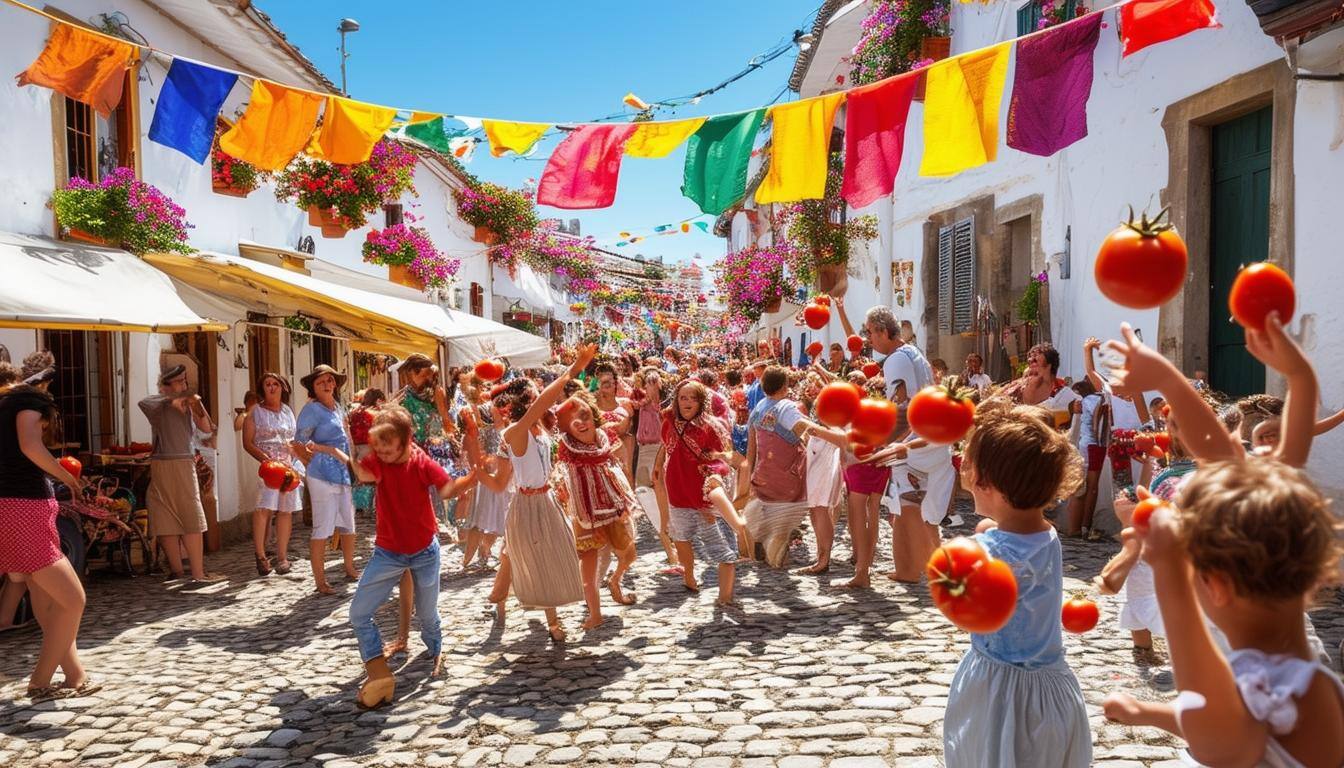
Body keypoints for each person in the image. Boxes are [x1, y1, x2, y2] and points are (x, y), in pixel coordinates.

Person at [1102, 461, 1344, 767]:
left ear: (1215, 586)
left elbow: (1214, 732)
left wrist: (1169, 573)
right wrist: (1143, 713)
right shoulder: (1297, 676)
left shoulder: (1287, 689)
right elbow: (1222, 716)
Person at [942, 404, 1090, 767]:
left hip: (999, 693)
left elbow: (966, 617)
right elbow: (1007, 537)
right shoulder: (1047, 534)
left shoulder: (984, 553)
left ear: (985, 481)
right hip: (1051, 687)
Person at [347, 406, 475, 709]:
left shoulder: (421, 463)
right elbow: (365, 472)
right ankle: (377, 668)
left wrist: (473, 478)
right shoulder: (378, 460)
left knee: (427, 614)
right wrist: (348, 454)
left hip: (424, 552)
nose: (381, 452)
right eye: (377, 446)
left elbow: (446, 491)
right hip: (388, 553)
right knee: (358, 613)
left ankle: (435, 651)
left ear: (406, 441)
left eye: (387, 447)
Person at [0, 375, 100, 700]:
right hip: (24, 508)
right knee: (73, 600)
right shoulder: (31, 402)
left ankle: (74, 675)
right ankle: (40, 682)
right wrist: (67, 477)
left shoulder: (5, 406)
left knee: (46, 602)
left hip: (13, 507)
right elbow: (30, 445)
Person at [485, 349, 594, 643]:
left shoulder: (541, 430)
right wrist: (572, 369)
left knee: (552, 555)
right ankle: (551, 620)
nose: (545, 405)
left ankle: (504, 596)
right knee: (536, 558)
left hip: (547, 499)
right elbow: (547, 398)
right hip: (528, 503)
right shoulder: (516, 431)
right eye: (536, 401)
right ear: (527, 407)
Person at [553, 390, 639, 630]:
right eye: (573, 421)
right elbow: (562, 475)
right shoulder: (567, 448)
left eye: (584, 416)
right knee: (588, 573)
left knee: (629, 555)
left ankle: (615, 581)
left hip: (613, 507)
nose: (581, 424)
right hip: (585, 514)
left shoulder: (604, 439)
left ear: (593, 415)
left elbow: (616, 472)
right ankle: (595, 615)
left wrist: (623, 501)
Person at [140, 366, 223, 583]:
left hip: (184, 462)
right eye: (179, 381)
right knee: (164, 515)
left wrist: (195, 404)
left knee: (191, 515)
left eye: (184, 381)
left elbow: (206, 428)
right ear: (166, 385)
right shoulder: (158, 404)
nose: (183, 385)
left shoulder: (189, 403)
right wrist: (171, 400)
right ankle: (177, 570)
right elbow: (143, 403)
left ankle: (198, 573)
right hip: (161, 463)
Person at [664, 379, 745, 601]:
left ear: (701, 402)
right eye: (682, 397)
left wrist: (715, 475)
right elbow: (666, 445)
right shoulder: (670, 421)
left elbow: (722, 457)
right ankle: (689, 574)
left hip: (705, 493)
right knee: (680, 537)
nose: (687, 402)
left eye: (692, 398)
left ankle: (725, 597)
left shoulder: (712, 426)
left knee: (723, 550)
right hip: (678, 490)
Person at [293, 365, 358, 595]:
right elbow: (297, 442)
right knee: (322, 526)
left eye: (330, 380)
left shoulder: (338, 408)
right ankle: (320, 581)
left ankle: (349, 567)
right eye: (321, 382)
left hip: (342, 473)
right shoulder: (311, 410)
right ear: (313, 387)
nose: (327, 384)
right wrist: (308, 463)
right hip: (321, 475)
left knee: (348, 522)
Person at [242, 372, 302, 577]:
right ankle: (260, 555)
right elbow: (248, 442)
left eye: (276, 384)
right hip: (268, 467)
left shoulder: (287, 411)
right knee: (264, 509)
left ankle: (282, 556)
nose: (272, 388)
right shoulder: (255, 412)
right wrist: (265, 459)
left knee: (285, 511)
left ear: (282, 387)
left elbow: (293, 438)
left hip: (287, 467)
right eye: (267, 384)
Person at [349, 388, 384, 515]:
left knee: (360, 477)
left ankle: (359, 506)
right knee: (370, 477)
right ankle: (367, 508)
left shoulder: (355, 411)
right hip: (369, 446)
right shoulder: (375, 413)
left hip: (355, 446)